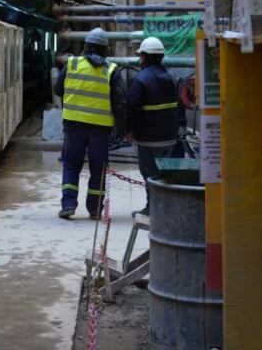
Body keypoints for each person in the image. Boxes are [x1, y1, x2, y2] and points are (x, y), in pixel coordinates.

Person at [53, 28, 126, 220]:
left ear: (85, 47)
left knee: (71, 165)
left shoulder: (72, 64)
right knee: (98, 168)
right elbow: (119, 103)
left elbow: (58, 89)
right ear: (105, 49)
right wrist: (122, 129)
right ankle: (94, 210)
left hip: (73, 125)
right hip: (100, 130)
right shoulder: (111, 70)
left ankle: (68, 204)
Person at [125, 36, 179, 217]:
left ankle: (153, 208)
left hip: (148, 138)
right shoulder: (172, 78)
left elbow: (132, 108)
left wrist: (128, 130)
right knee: (164, 173)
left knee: (149, 173)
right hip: (169, 137)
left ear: (145, 57)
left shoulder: (141, 79)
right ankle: (164, 207)